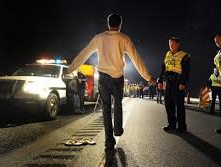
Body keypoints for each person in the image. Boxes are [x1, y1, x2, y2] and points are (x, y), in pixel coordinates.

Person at [66, 13, 156, 152]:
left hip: (103, 78)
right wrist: (148, 77)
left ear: (108, 24)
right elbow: (136, 58)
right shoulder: (124, 38)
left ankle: (109, 141)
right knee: (118, 104)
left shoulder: (98, 38)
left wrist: (70, 69)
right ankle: (118, 129)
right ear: (120, 25)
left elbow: (84, 53)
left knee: (106, 109)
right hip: (118, 78)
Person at [158, 36, 190, 133]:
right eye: (169, 44)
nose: (171, 46)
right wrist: (160, 80)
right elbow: (163, 68)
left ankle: (181, 127)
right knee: (168, 104)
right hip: (168, 82)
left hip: (178, 82)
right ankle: (172, 125)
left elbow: (186, 71)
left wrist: (183, 83)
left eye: (172, 44)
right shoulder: (167, 54)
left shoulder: (184, 55)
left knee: (179, 106)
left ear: (177, 44)